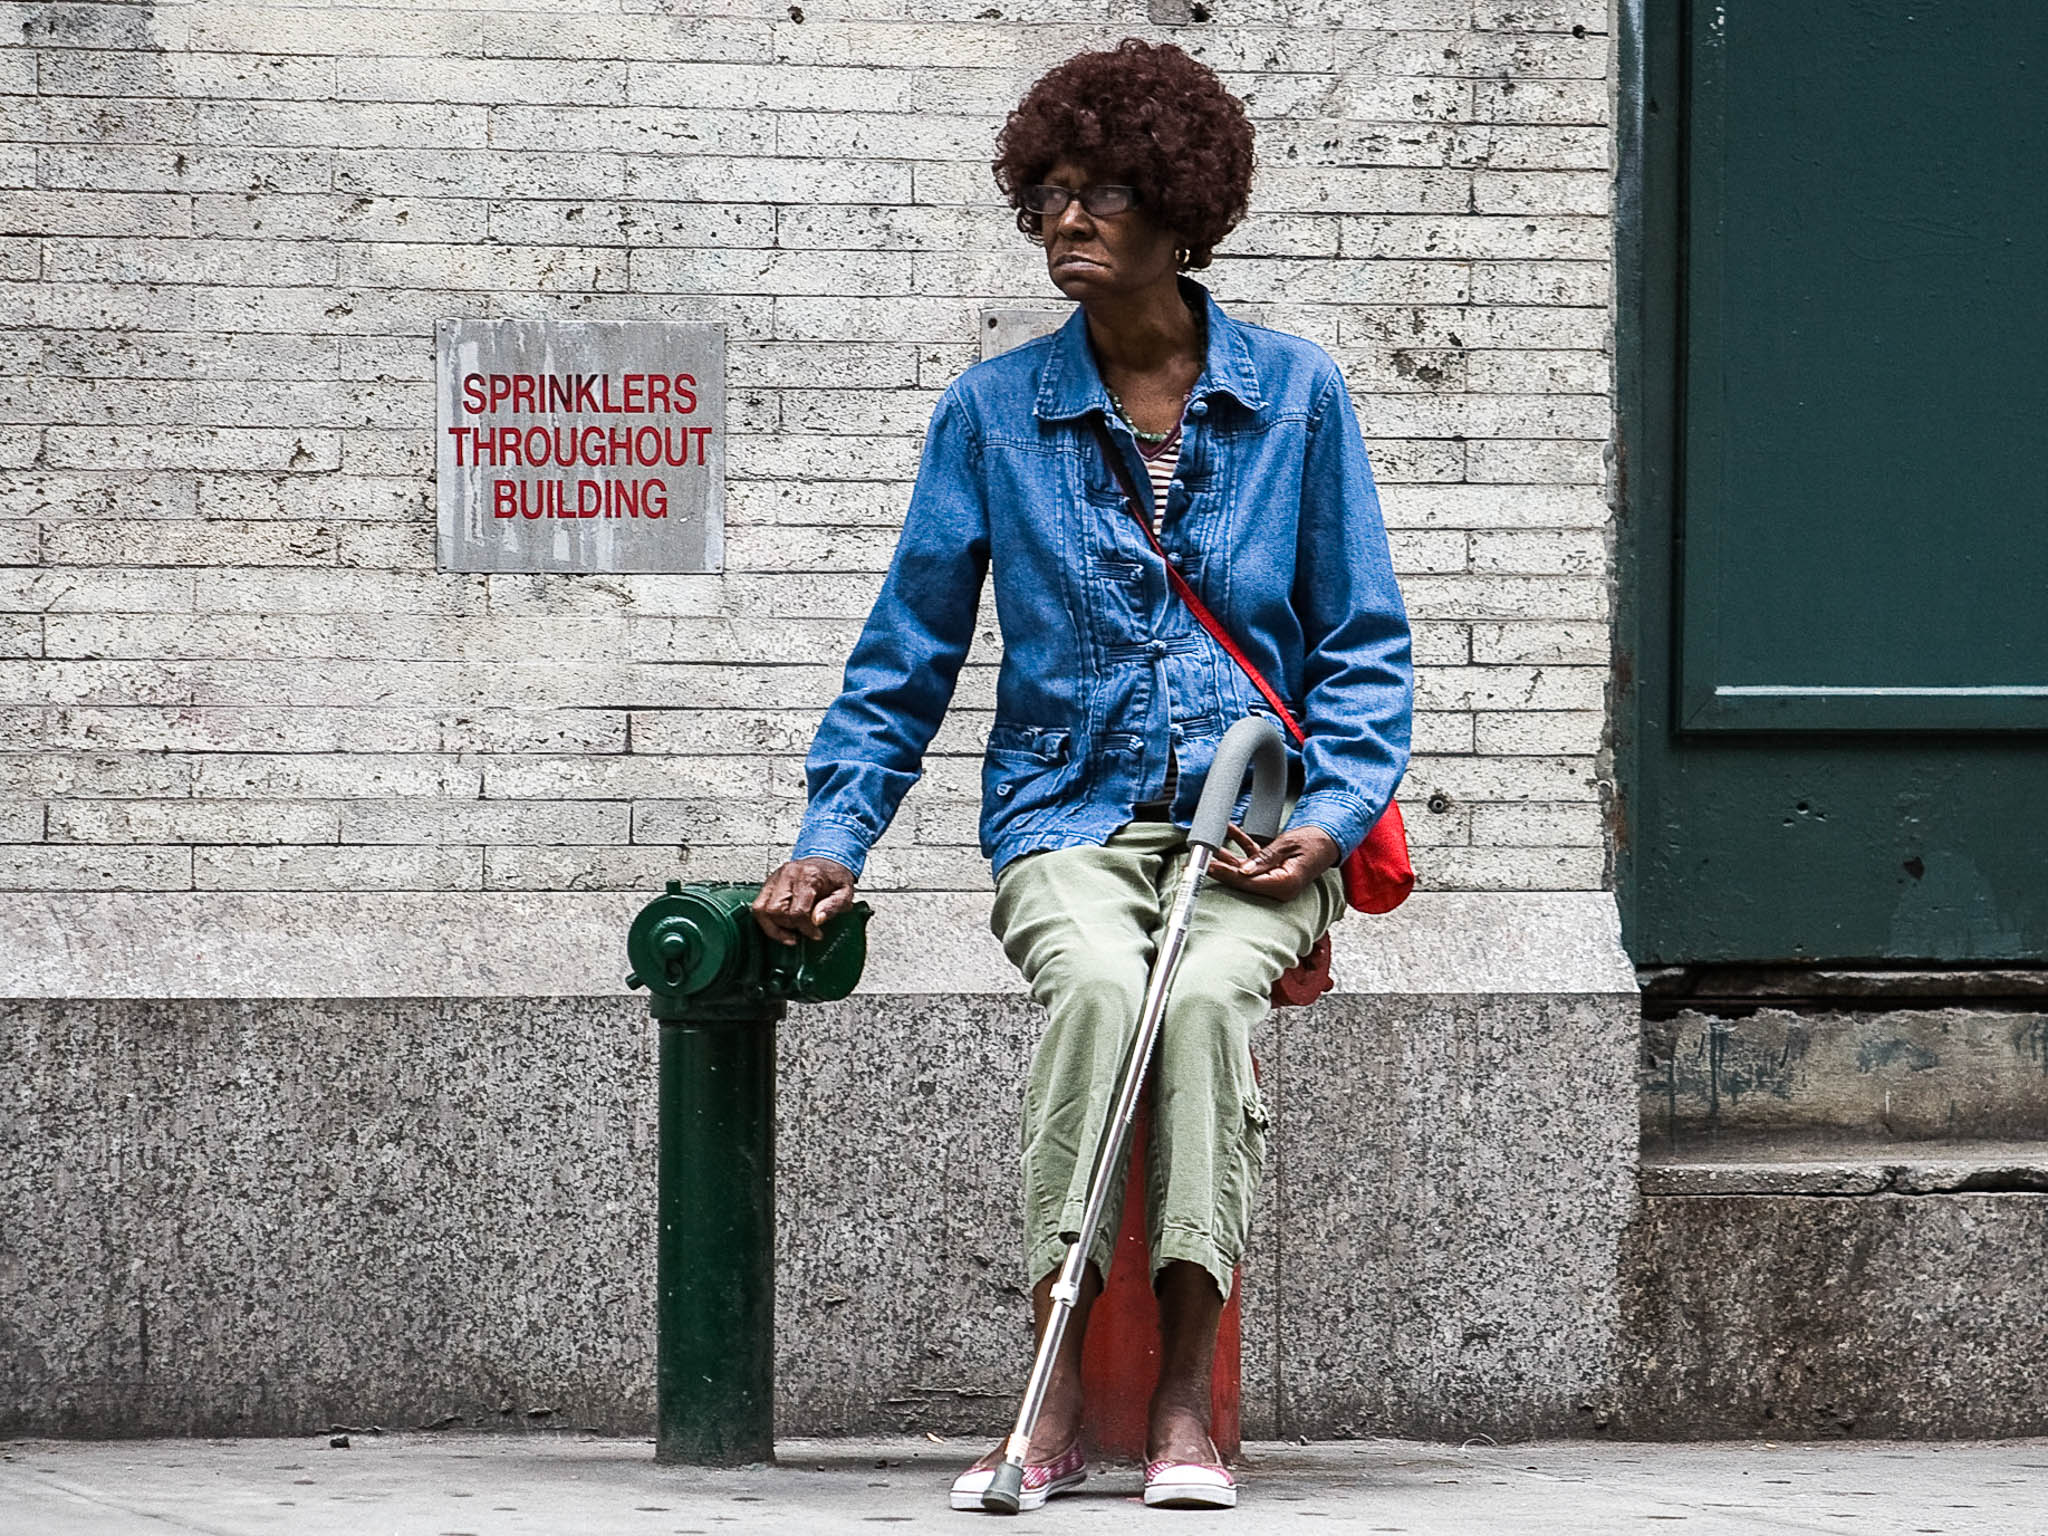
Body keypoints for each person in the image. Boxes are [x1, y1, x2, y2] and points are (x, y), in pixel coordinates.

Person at [751, 38, 1412, 1513]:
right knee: (1108, 991)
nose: (1068, 220)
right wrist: (833, 838)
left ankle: (1181, 1406)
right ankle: (1042, 1404)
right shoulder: (992, 415)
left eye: (1106, 191)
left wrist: (1324, 824)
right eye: (1047, 192)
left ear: (1185, 214)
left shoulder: (1298, 400)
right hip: (1065, 815)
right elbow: (902, 657)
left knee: (1202, 1002)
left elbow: (1365, 651)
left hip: (1250, 831)